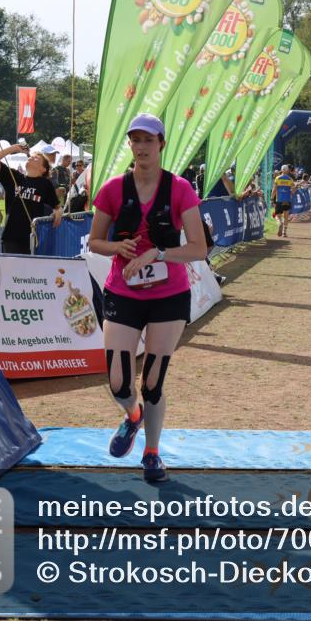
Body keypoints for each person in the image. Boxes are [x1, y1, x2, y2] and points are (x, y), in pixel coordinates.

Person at [88, 113, 206, 483]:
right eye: (135, 140)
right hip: (123, 292)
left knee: (153, 382)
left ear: (161, 145)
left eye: (148, 140)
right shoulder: (111, 189)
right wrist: (116, 246)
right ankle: (132, 416)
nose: (141, 147)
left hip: (169, 295)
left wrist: (157, 253)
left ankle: (152, 452)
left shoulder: (180, 189)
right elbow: (95, 242)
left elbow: (200, 248)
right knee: (120, 383)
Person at [0, 142, 62, 255]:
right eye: (31, 156)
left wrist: (58, 212)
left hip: (33, 238)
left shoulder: (45, 184)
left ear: (43, 169)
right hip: (10, 237)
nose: (31, 158)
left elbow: (56, 206)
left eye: (36, 158)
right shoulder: (14, 176)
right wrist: (14, 148)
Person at [273, 164, 296, 237]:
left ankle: (280, 223)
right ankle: (284, 232)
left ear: (281, 170)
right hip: (287, 200)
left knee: (278, 215)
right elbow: (293, 191)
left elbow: (274, 189)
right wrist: (294, 188)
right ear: (287, 171)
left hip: (279, 199)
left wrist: (271, 198)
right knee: (286, 216)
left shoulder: (277, 178)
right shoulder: (290, 179)